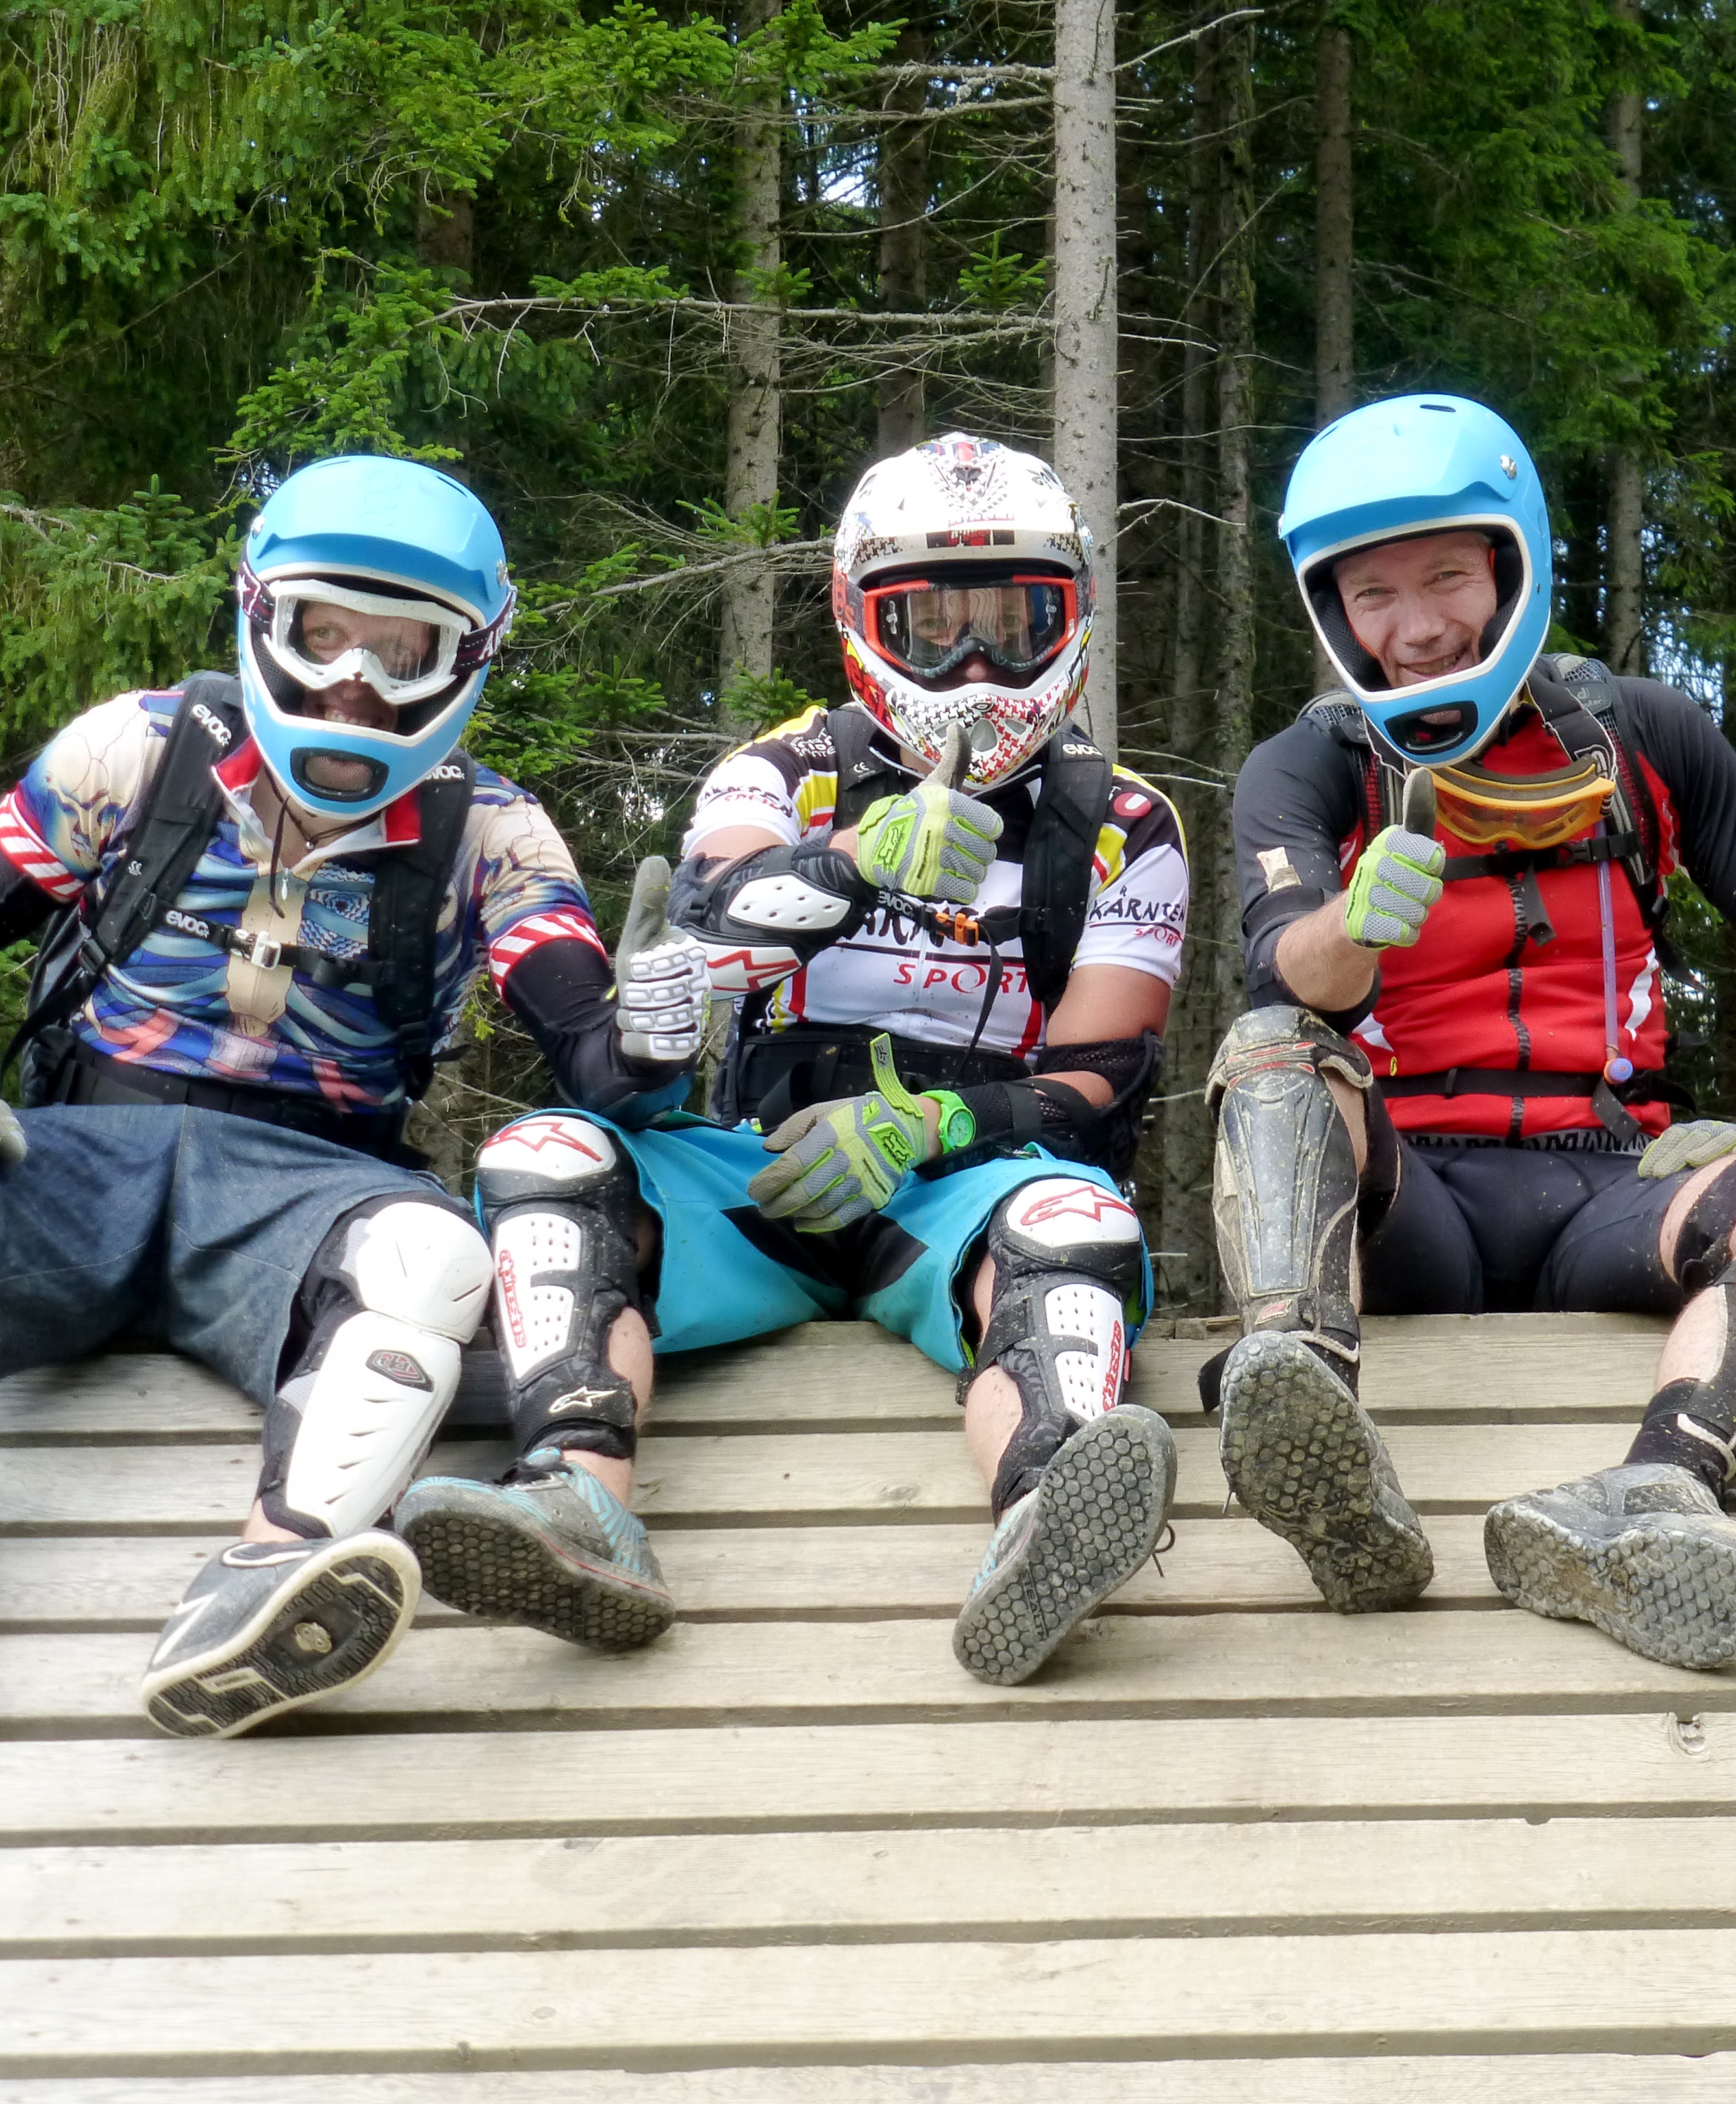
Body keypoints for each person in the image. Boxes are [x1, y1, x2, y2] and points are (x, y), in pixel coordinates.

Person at [0, 457, 697, 1745]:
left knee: (428, 1255)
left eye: (403, 650)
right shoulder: (140, 748)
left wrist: (657, 1034)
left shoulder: (492, 833)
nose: (355, 683)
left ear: (469, 657)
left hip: (306, 1187)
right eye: (326, 634)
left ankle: (276, 1579)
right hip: (74, 1153)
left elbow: (591, 1058)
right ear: (262, 613)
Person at [410, 433, 1188, 1688]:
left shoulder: (1125, 821)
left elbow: (1102, 1077)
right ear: (860, 620)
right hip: (758, 1171)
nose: (976, 667)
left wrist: (929, 1126)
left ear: (1074, 618)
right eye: (931, 625)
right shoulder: (784, 769)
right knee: (545, 1152)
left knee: (1074, 1221)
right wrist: (853, 862)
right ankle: (573, 1491)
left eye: (1014, 623)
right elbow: (699, 933)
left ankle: (1051, 1505)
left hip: (961, 1182)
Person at [1210, 393, 1736, 1672]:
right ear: (1331, 610)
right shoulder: (1305, 766)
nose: (1417, 628)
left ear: (1513, 567)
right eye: (1372, 594)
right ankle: (1309, 1420)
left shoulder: (1645, 733)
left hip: (1611, 1183)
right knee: (1272, 1052)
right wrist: (1354, 924)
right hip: (1410, 1200)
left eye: (1447, 578)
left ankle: (1656, 1492)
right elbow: (1282, 970)